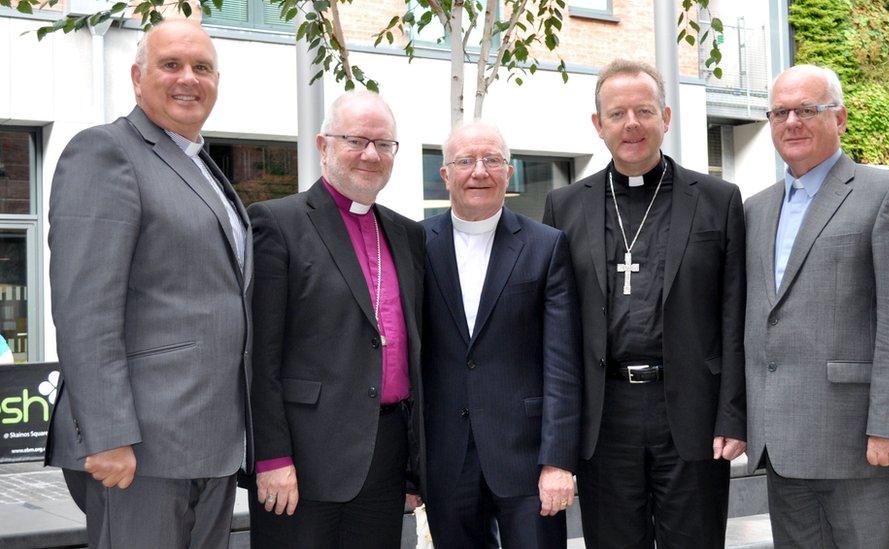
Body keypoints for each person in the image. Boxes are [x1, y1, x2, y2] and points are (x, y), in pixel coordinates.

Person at [46, 19, 252, 547]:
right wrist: (109, 434)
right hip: (139, 452)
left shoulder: (200, 163)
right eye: (171, 65)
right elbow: (85, 309)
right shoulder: (107, 152)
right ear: (138, 77)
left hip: (209, 445)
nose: (189, 78)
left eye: (202, 68)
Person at [542, 59, 746, 548]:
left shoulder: (718, 199)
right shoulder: (565, 206)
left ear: (666, 118)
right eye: (617, 114)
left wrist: (732, 413)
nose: (631, 123)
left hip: (692, 413)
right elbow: (557, 327)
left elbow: (733, 313)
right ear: (598, 125)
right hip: (604, 414)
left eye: (644, 110)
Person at [743, 64, 889, 546]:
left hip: (862, 448)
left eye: (808, 109)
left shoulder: (886, 193)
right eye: (780, 112)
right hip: (783, 450)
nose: (792, 122)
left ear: (841, 118)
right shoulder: (755, 209)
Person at [246, 90, 426, 549]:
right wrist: (271, 458)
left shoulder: (408, 234)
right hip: (304, 461)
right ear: (324, 146)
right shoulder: (278, 223)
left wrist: (413, 467)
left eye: (384, 144)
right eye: (356, 140)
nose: (371, 154)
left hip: (385, 458)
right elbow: (258, 357)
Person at [422, 121, 582, 548]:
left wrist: (557, 462)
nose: (479, 171)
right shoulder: (416, 244)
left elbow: (563, 363)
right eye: (465, 161)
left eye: (492, 160)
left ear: (509, 172)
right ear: (445, 174)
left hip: (527, 459)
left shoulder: (546, 245)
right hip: (446, 459)